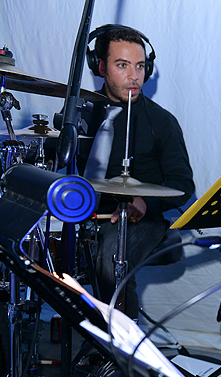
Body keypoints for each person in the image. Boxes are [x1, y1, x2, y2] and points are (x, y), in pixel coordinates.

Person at [80, 25, 194, 319]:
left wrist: (145, 202)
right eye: (122, 65)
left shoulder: (161, 122)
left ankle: (121, 343)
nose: (134, 76)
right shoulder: (80, 114)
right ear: (100, 67)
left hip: (141, 220)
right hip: (84, 214)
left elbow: (183, 184)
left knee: (112, 257)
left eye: (140, 66)